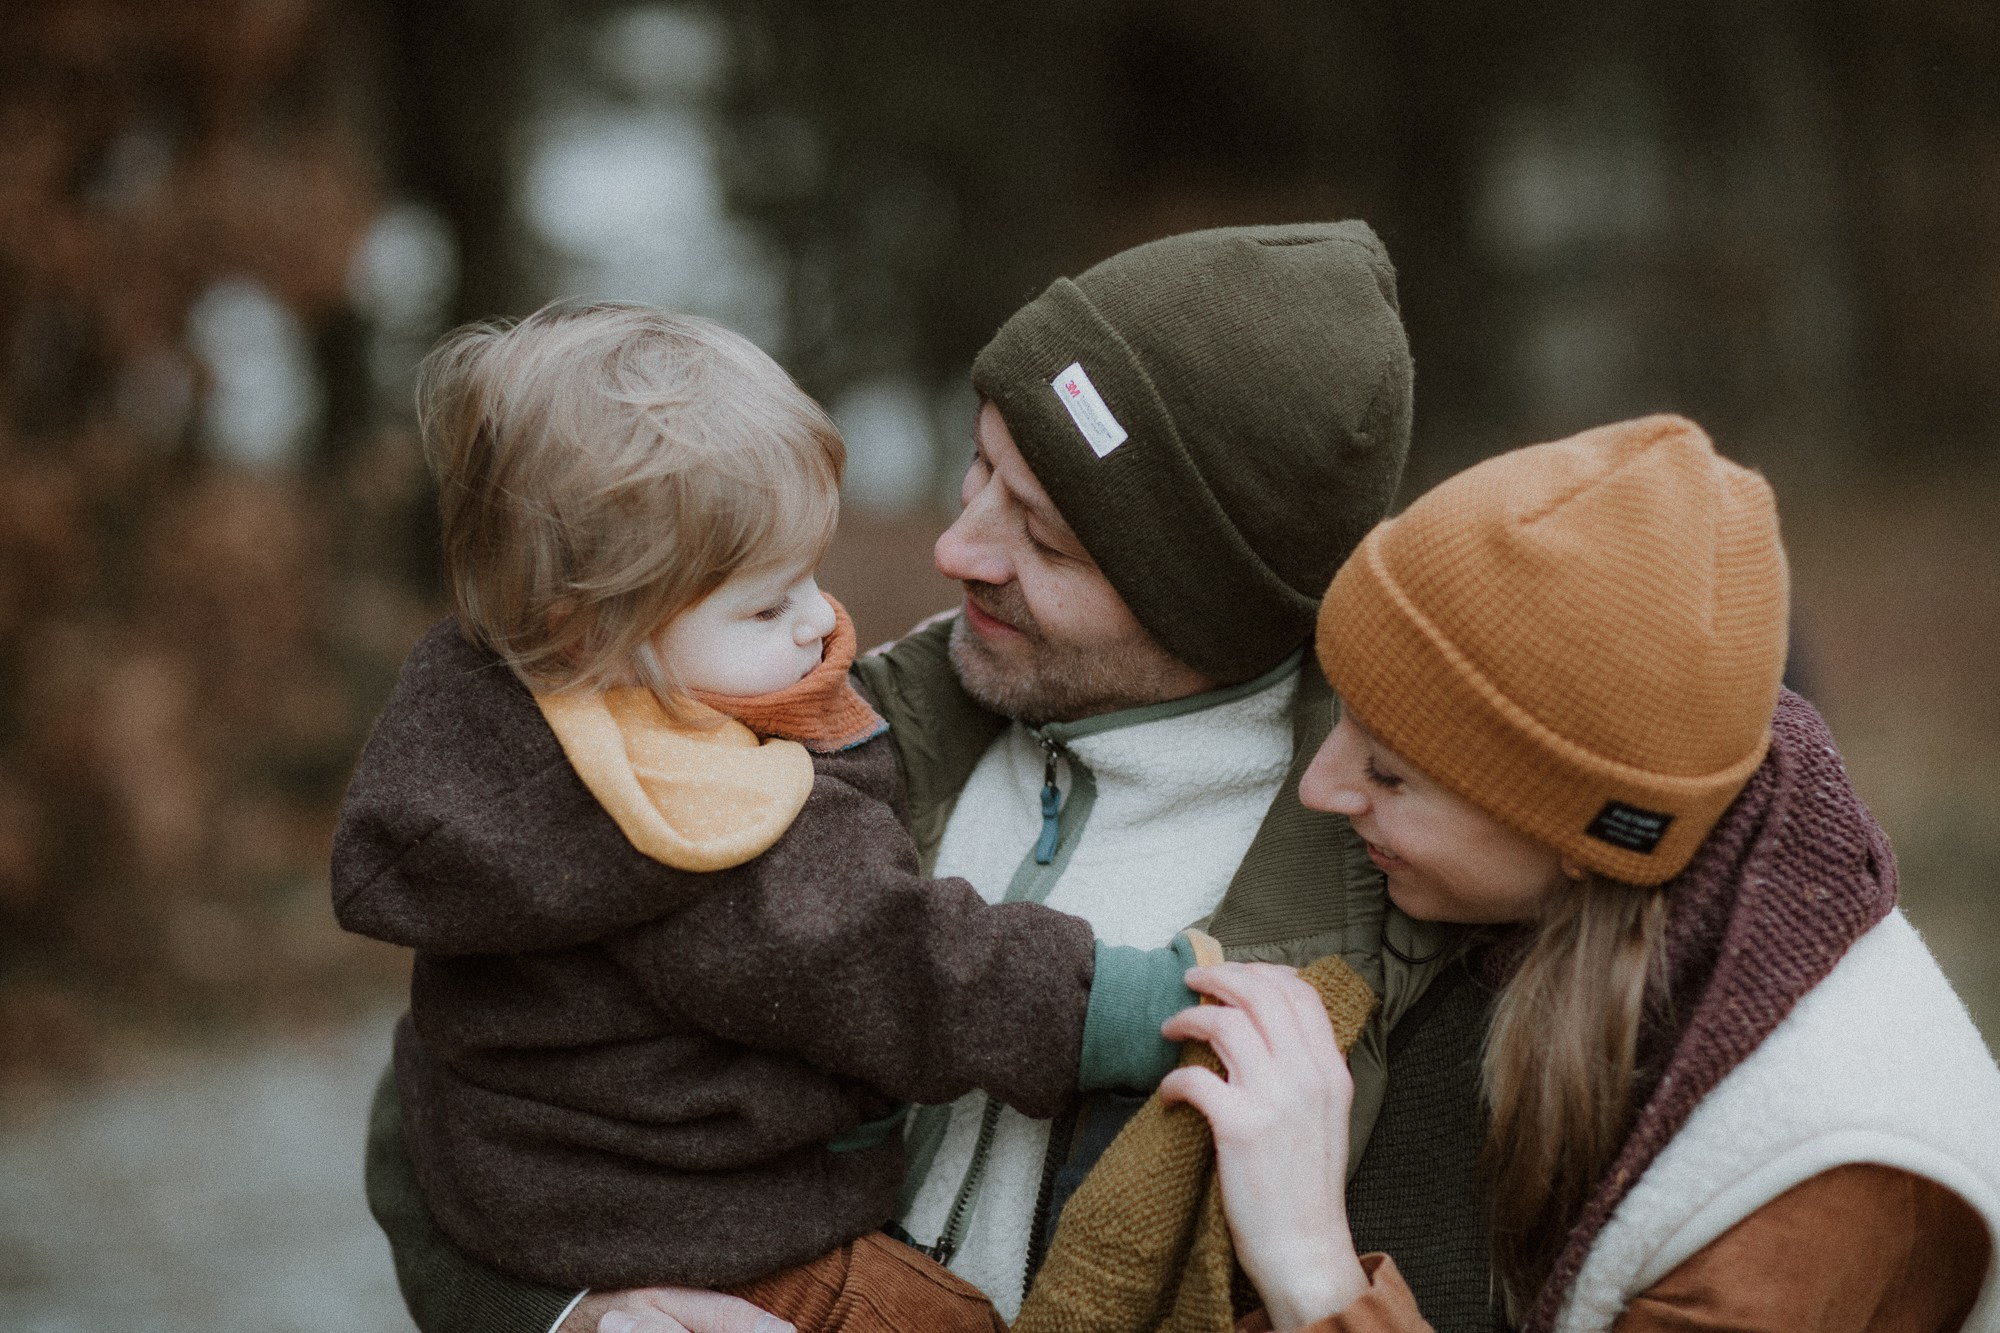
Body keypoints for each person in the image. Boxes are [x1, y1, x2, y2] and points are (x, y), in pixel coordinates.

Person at [362, 222, 1493, 1333]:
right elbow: (464, 1090)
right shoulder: (802, 735)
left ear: (1201, 601)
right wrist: (574, 1317)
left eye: (1044, 538)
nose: (958, 552)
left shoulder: (1396, 926)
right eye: (980, 467)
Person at [334, 304, 1211, 1333]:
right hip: (730, 1252)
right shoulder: (694, 817)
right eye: (764, 606)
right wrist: (1130, 1005)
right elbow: (908, 964)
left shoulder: (494, 725)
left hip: (539, 1218)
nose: (817, 618)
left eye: (810, 576)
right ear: (590, 633)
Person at [1143, 415, 2000, 1331]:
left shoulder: (1814, 1183)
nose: (1320, 787)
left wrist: (1313, 1269)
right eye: (1342, 718)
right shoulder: (1657, 865)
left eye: (1389, 773)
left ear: (1580, 835)